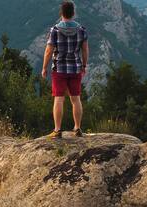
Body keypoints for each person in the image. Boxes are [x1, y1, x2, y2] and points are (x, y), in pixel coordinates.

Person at [40, 1, 89, 138]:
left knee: (59, 99)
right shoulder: (81, 30)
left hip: (59, 69)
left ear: (61, 13)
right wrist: (84, 65)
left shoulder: (55, 30)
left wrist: (44, 67)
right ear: (73, 13)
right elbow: (85, 50)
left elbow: (49, 51)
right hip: (75, 69)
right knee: (76, 98)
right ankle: (78, 128)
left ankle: (57, 130)